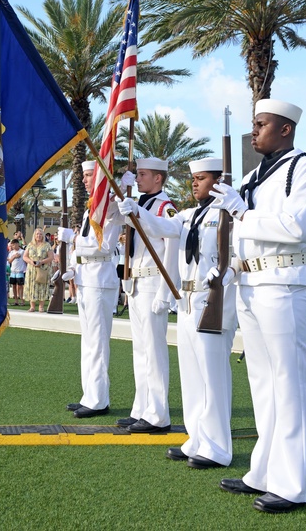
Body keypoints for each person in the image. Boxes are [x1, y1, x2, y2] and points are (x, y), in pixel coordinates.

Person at [209, 98, 306, 513]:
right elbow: (240, 231)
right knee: (262, 383)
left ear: (285, 129)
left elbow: (296, 226)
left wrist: (244, 212)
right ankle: (262, 471)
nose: (254, 130)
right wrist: (230, 265)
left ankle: (293, 485)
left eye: (261, 124)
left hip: (285, 281)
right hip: (252, 282)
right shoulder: (253, 175)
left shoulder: (305, 168)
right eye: (254, 124)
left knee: (290, 381)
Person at [119, 157, 238, 468]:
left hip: (212, 298)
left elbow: (236, 254)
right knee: (192, 376)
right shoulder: (188, 215)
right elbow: (163, 227)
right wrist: (136, 211)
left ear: (217, 180)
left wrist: (228, 274)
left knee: (213, 377)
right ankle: (197, 437)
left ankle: (217, 448)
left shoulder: (228, 214)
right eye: (193, 178)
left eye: (201, 178)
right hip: (186, 301)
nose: (195, 183)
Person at [58, 160, 126, 419]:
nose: (85, 180)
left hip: (100, 279)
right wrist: (73, 268)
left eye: (89, 176)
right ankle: (91, 394)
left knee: (97, 343)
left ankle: (98, 400)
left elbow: (103, 246)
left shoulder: (108, 206)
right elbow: (86, 247)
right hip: (86, 277)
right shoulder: (91, 209)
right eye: (84, 176)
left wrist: (72, 238)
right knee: (88, 342)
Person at [117, 156, 179, 434]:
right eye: (137, 174)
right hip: (137, 283)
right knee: (140, 351)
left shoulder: (165, 207)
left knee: (154, 351)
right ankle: (141, 408)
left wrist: (166, 292)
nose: (138, 178)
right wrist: (121, 189)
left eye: (142, 174)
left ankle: (158, 415)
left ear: (158, 178)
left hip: (154, 282)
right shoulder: (141, 203)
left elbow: (171, 246)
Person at [22, 228, 53, 312]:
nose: (38, 236)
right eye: (37, 234)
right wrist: (31, 261)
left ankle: (41, 306)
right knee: (32, 286)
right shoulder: (30, 245)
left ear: (43, 235)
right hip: (32, 268)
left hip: (42, 268)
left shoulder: (47, 245)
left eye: (40, 234)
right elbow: (25, 256)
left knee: (42, 286)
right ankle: (32, 306)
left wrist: (42, 262)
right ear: (34, 236)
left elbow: (51, 257)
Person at [7, 239, 26, 306]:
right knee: (14, 286)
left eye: (14, 245)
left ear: (17, 244)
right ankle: (16, 301)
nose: (13, 246)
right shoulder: (11, 253)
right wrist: (14, 256)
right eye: (12, 245)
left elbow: (25, 259)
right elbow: (9, 261)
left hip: (20, 271)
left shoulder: (22, 251)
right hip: (13, 271)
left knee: (20, 286)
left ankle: (22, 300)